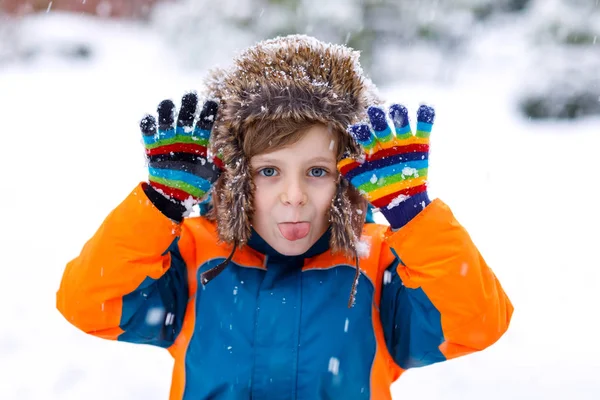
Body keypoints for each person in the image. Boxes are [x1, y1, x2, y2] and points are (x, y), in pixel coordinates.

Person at [56, 35, 513, 400]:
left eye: (317, 171)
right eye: (268, 171)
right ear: (233, 177)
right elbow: (87, 303)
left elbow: (478, 322)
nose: (293, 196)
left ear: (348, 178)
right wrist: (159, 206)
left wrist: (415, 216)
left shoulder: (377, 263)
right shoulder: (195, 256)